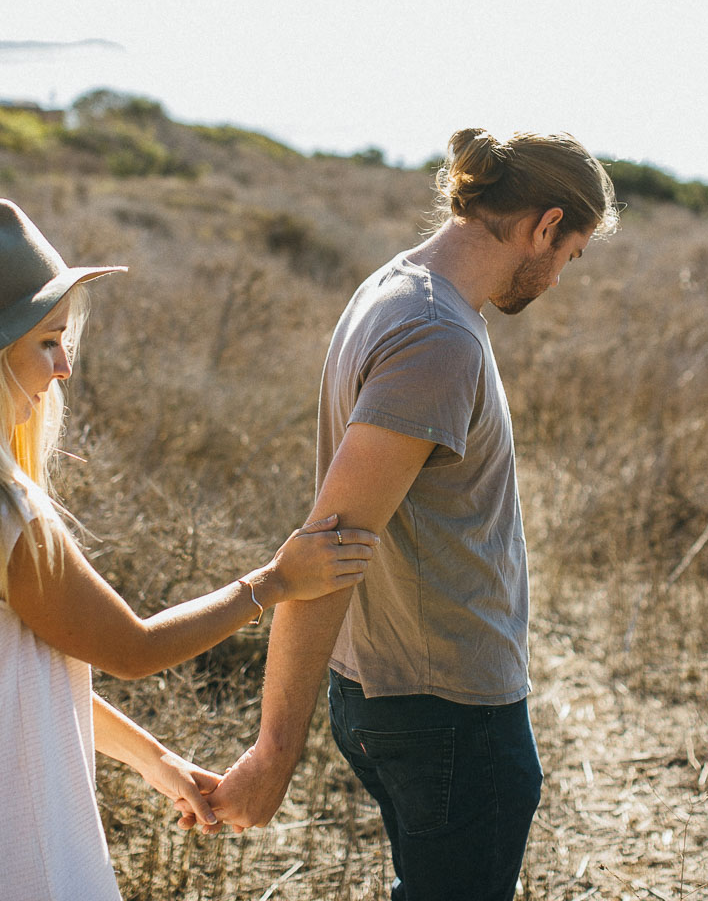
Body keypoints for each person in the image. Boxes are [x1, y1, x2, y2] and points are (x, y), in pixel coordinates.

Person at [0, 198, 377, 900]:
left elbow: (6, 677)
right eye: (45, 341)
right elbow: (130, 649)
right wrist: (273, 582)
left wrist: (152, 759)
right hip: (22, 861)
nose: (65, 365)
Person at [207, 129, 617, 900]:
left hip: (397, 694)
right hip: (447, 712)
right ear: (545, 225)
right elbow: (329, 547)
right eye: (573, 253)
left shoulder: (398, 288)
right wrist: (272, 753)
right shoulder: (438, 337)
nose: (562, 276)